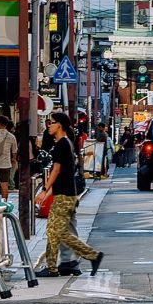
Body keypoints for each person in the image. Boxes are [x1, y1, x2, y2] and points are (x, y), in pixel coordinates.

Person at [34, 111, 103, 279]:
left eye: (51, 122)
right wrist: (47, 192)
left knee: (54, 231)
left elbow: (56, 170)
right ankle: (68, 263)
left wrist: (44, 190)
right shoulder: (67, 144)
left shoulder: (62, 145)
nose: (49, 125)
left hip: (64, 196)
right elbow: (62, 173)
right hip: (68, 194)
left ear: (60, 125)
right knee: (63, 231)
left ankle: (57, 266)